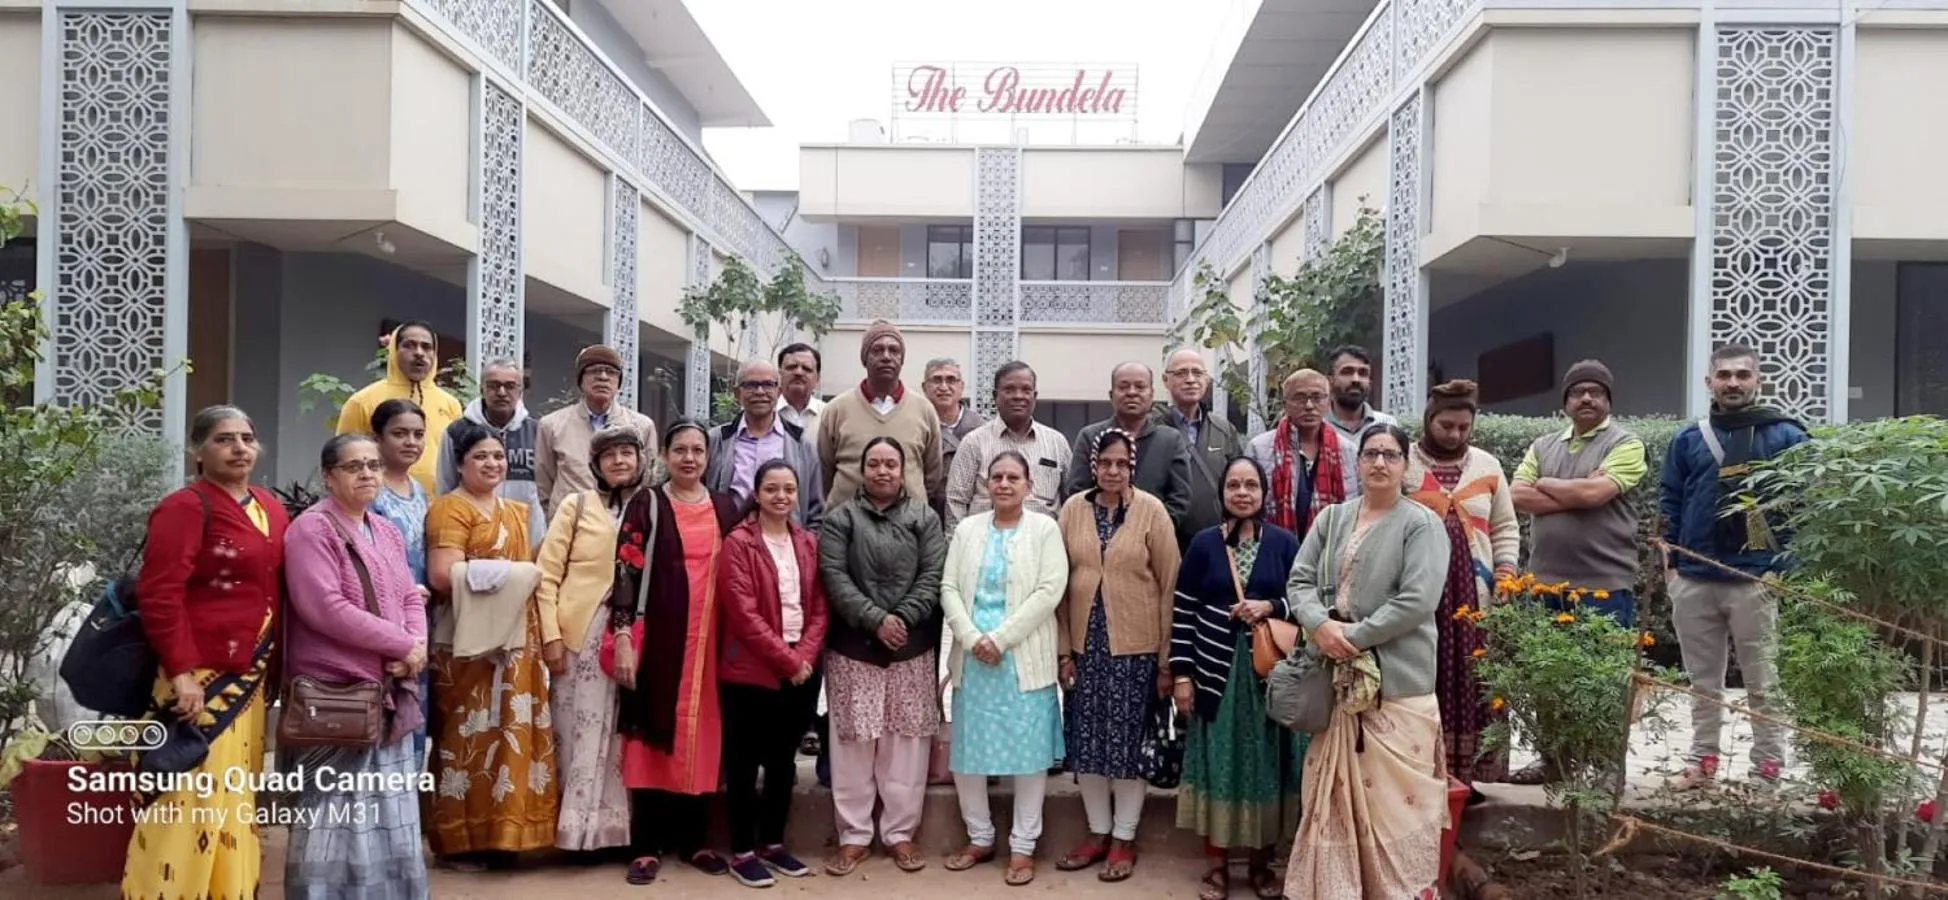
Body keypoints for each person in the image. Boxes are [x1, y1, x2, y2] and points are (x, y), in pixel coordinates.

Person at [123, 406, 290, 899]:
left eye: (247, 437)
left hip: (251, 676)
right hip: (197, 679)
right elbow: (160, 594)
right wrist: (181, 675)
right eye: (224, 440)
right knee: (186, 795)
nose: (240, 448)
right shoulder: (185, 507)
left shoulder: (269, 507)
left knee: (236, 796)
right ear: (199, 451)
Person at [1284, 423, 1451, 898]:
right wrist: (1320, 626)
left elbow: (1417, 600)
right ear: (1357, 463)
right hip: (1333, 682)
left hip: (1397, 686)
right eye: (1371, 454)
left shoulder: (1421, 524)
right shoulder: (1332, 519)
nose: (1380, 463)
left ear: (1405, 465)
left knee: (1398, 808)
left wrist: (1351, 637)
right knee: (1331, 797)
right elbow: (1298, 582)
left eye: (1391, 455)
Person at [281, 433, 430, 899]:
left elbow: (409, 594)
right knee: (334, 813)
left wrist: (416, 646)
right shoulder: (311, 530)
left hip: (389, 686)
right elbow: (323, 606)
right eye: (353, 467)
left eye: (372, 465)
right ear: (329, 477)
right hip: (337, 693)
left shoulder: (385, 529)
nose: (367, 474)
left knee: (390, 808)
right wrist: (402, 644)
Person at [1660, 344, 1808, 789]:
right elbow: (1669, 501)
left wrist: (1781, 568)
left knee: (1763, 681)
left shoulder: (1786, 436)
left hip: (1754, 577)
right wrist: (1671, 566)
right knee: (1702, 681)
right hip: (1695, 577)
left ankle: (1767, 766)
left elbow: (1803, 507)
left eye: (1743, 375)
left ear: (1757, 380)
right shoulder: (1688, 439)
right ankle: (1702, 762)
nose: (1733, 383)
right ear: (1710, 383)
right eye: (1724, 375)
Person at [604, 420, 742, 885]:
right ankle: (646, 845)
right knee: (650, 737)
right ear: (664, 454)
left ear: (708, 457)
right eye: (679, 449)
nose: (689, 458)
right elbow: (625, 569)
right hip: (663, 641)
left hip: (711, 644)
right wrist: (623, 635)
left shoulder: (727, 506)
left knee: (703, 740)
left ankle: (696, 840)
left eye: (697, 450)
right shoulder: (648, 503)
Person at [423, 422, 558, 869]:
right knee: (468, 739)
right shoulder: (449, 509)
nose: (492, 464)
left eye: (498, 456)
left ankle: (508, 835)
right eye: (480, 456)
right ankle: (462, 841)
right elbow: (444, 576)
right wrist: (517, 575)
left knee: (510, 738)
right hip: (467, 643)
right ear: (460, 463)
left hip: (517, 641)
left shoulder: (517, 510)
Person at [1508, 360, 1649, 785]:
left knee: (1604, 682)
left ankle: (1607, 769)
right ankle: (1555, 762)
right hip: (1544, 583)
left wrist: (1553, 486)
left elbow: (1597, 492)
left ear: (1608, 400)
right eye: (1577, 392)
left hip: (1604, 586)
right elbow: (1516, 494)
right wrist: (1579, 492)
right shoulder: (1542, 444)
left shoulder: (1626, 444)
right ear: (1566, 401)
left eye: (1596, 392)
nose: (1586, 398)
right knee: (1547, 679)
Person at [1171, 456, 1304, 900]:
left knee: (1268, 765)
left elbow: (1306, 602)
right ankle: (1217, 868)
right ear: (1222, 493)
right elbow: (1183, 610)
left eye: (1251, 485)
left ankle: (1263, 866)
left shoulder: (1285, 543)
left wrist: (1270, 607)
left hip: (1271, 676)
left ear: (1264, 492)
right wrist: (1182, 675)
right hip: (1216, 678)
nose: (1242, 493)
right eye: (1234, 485)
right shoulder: (1204, 545)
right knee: (1219, 768)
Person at [1053, 429, 1182, 882]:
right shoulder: (1072, 509)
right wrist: (1064, 650)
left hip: (1138, 650)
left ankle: (1125, 837)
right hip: (1086, 650)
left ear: (1132, 466)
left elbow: (1170, 586)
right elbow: (1060, 584)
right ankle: (1097, 833)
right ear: (1093, 465)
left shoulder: (1151, 511)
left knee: (1129, 747)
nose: (1112, 471)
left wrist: (1167, 660)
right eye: (1104, 463)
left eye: (1121, 464)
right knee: (1087, 744)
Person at [817, 437, 949, 877]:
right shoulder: (841, 519)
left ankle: (899, 833)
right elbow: (834, 575)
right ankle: (854, 836)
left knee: (905, 746)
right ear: (862, 469)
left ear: (903, 468)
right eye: (873, 464)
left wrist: (902, 619)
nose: (882, 472)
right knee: (854, 743)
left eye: (891, 464)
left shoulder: (923, 516)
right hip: (854, 646)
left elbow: (933, 573)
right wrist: (874, 619)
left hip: (911, 646)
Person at [940, 452, 1070, 887]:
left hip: (1024, 659)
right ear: (985, 483)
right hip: (974, 659)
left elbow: (1050, 590)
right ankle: (979, 837)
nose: (1004, 484)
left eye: (1014, 477)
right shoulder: (968, 529)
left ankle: (1022, 846)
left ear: (1029, 485)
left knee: (1029, 757)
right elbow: (950, 586)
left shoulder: (1044, 529)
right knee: (968, 756)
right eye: (997, 476)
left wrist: (1000, 638)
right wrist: (972, 636)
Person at [717, 461, 830, 887]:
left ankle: (773, 844)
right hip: (750, 672)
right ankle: (743, 850)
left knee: (784, 763)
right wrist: (788, 659)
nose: (781, 496)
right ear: (758, 494)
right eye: (771, 489)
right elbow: (742, 613)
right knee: (745, 764)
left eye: (788, 489)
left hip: (799, 671)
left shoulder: (807, 542)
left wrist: (804, 656)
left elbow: (820, 604)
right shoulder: (739, 543)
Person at [535, 425, 647, 853]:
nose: (620, 461)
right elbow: (547, 577)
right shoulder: (575, 506)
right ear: (596, 464)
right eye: (610, 455)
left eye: (627, 453)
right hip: (579, 635)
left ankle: (615, 832)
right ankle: (574, 834)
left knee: (621, 734)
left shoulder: (649, 505)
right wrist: (551, 637)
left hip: (633, 636)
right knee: (577, 732)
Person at [1402, 380, 1518, 787]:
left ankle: (1472, 781)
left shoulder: (1487, 467)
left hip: (1476, 597)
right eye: (1446, 425)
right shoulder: (1405, 465)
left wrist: (1505, 574)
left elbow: (1504, 526)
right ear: (1429, 419)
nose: (1454, 434)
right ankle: (1425, 776)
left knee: (1476, 679)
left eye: (1463, 428)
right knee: (1425, 679)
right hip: (1421, 598)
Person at [818, 320, 946, 513]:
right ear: (864, 359)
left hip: (908, 527)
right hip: (847, 528)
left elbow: (932, 474)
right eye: (877, 350)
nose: (886, 356)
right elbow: (825, 472)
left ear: (902, 359)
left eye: (894, 350)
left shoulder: (924, 410)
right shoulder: (836, 409)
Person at [1064, 362, 1193, 540]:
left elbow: (1180, 499)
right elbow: (1078, 492)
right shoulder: (1090, 436)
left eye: (1140, 387)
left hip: (1153, 544)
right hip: (1097, 543)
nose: (1132, 392)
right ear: (1111, 394)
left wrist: (1148, 531)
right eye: (1123, 387)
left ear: (1151, 394)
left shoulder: (1171, 440)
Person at [337, 322, 465, 493]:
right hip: (379, 507)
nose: (419, 353)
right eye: (409, 345)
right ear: (394, 351)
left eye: (426, 347)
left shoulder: (450, 404)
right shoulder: (362, 401)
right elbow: (344, 458)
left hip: (440, 505)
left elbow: (459, 460)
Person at [538, 344, 658, 520]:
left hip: (624, 527)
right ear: (581, 379)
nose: (603, 377)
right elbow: (544, 485)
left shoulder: (641, 426)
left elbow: (648, 480)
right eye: (594, 371)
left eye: (610, 372)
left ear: (618, 382)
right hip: (571, 527)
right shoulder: (552, 425)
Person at [947, 361, 1071, 528]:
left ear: (1034, 396)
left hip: (1041, 545)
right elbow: (956, 501)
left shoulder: (1057, 443)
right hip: (985, 544)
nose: (1018, 396)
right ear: (995, 396)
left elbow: (1072, 501)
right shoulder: (973, 442)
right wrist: (960, 545)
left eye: (1026, 390)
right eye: (1009, 389)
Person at [438, 359, 546, 550]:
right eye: (494, 385)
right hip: (475, 540)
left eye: (510, 386)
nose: (502, 392)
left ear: (520, 391)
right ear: (482, 389)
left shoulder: (537, 432)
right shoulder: (456, 432)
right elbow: (446, 487)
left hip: (527, 539)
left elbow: (546, 489)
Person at [705, 359, 824, 527]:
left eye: (768, 384)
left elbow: (816, 512)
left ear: (779, 391)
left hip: (785, 545)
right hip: (727, 542)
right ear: (737, 393)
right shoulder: (716, 440)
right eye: (751, 385)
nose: (760, 392)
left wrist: (804, 548)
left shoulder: (801, 445)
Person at [1155, 348, 1242, 547]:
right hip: (1165, 542)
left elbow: (1237, 482)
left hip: (1216, 542)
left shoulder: (1224, 430)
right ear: (1165, 380)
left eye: (1197, 372)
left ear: (1207, 379)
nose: (1190, 379)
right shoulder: (1151, 429)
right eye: (1181, 373)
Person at [1248, 369, 1348, 536]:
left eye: (1317, 398)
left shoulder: (1347, 451)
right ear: (1285, 403)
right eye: (1300, 398)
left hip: (1330, 549)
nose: (1309, 406)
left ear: (1329, 402)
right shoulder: (1259, 448)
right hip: (1273, 548)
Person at [1321, 346, 1399, 495]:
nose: (1356, 379)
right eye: (1347, 372)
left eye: (1363, 373)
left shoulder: (1387, 424)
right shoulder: (1318, 426)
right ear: (1330, 380)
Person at [925, 357, 986, 479]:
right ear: (925, 387)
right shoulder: (918, 425)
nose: (943, 387)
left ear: (961, 387)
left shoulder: (983, 428)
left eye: (951, 380)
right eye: (936, 380)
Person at [778, 342, 826, 443]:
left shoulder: (828, 414)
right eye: (791, 367)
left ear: (817, 379)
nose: (798, 372)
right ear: (779, 374)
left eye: (807, 369)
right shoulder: (765, 412)